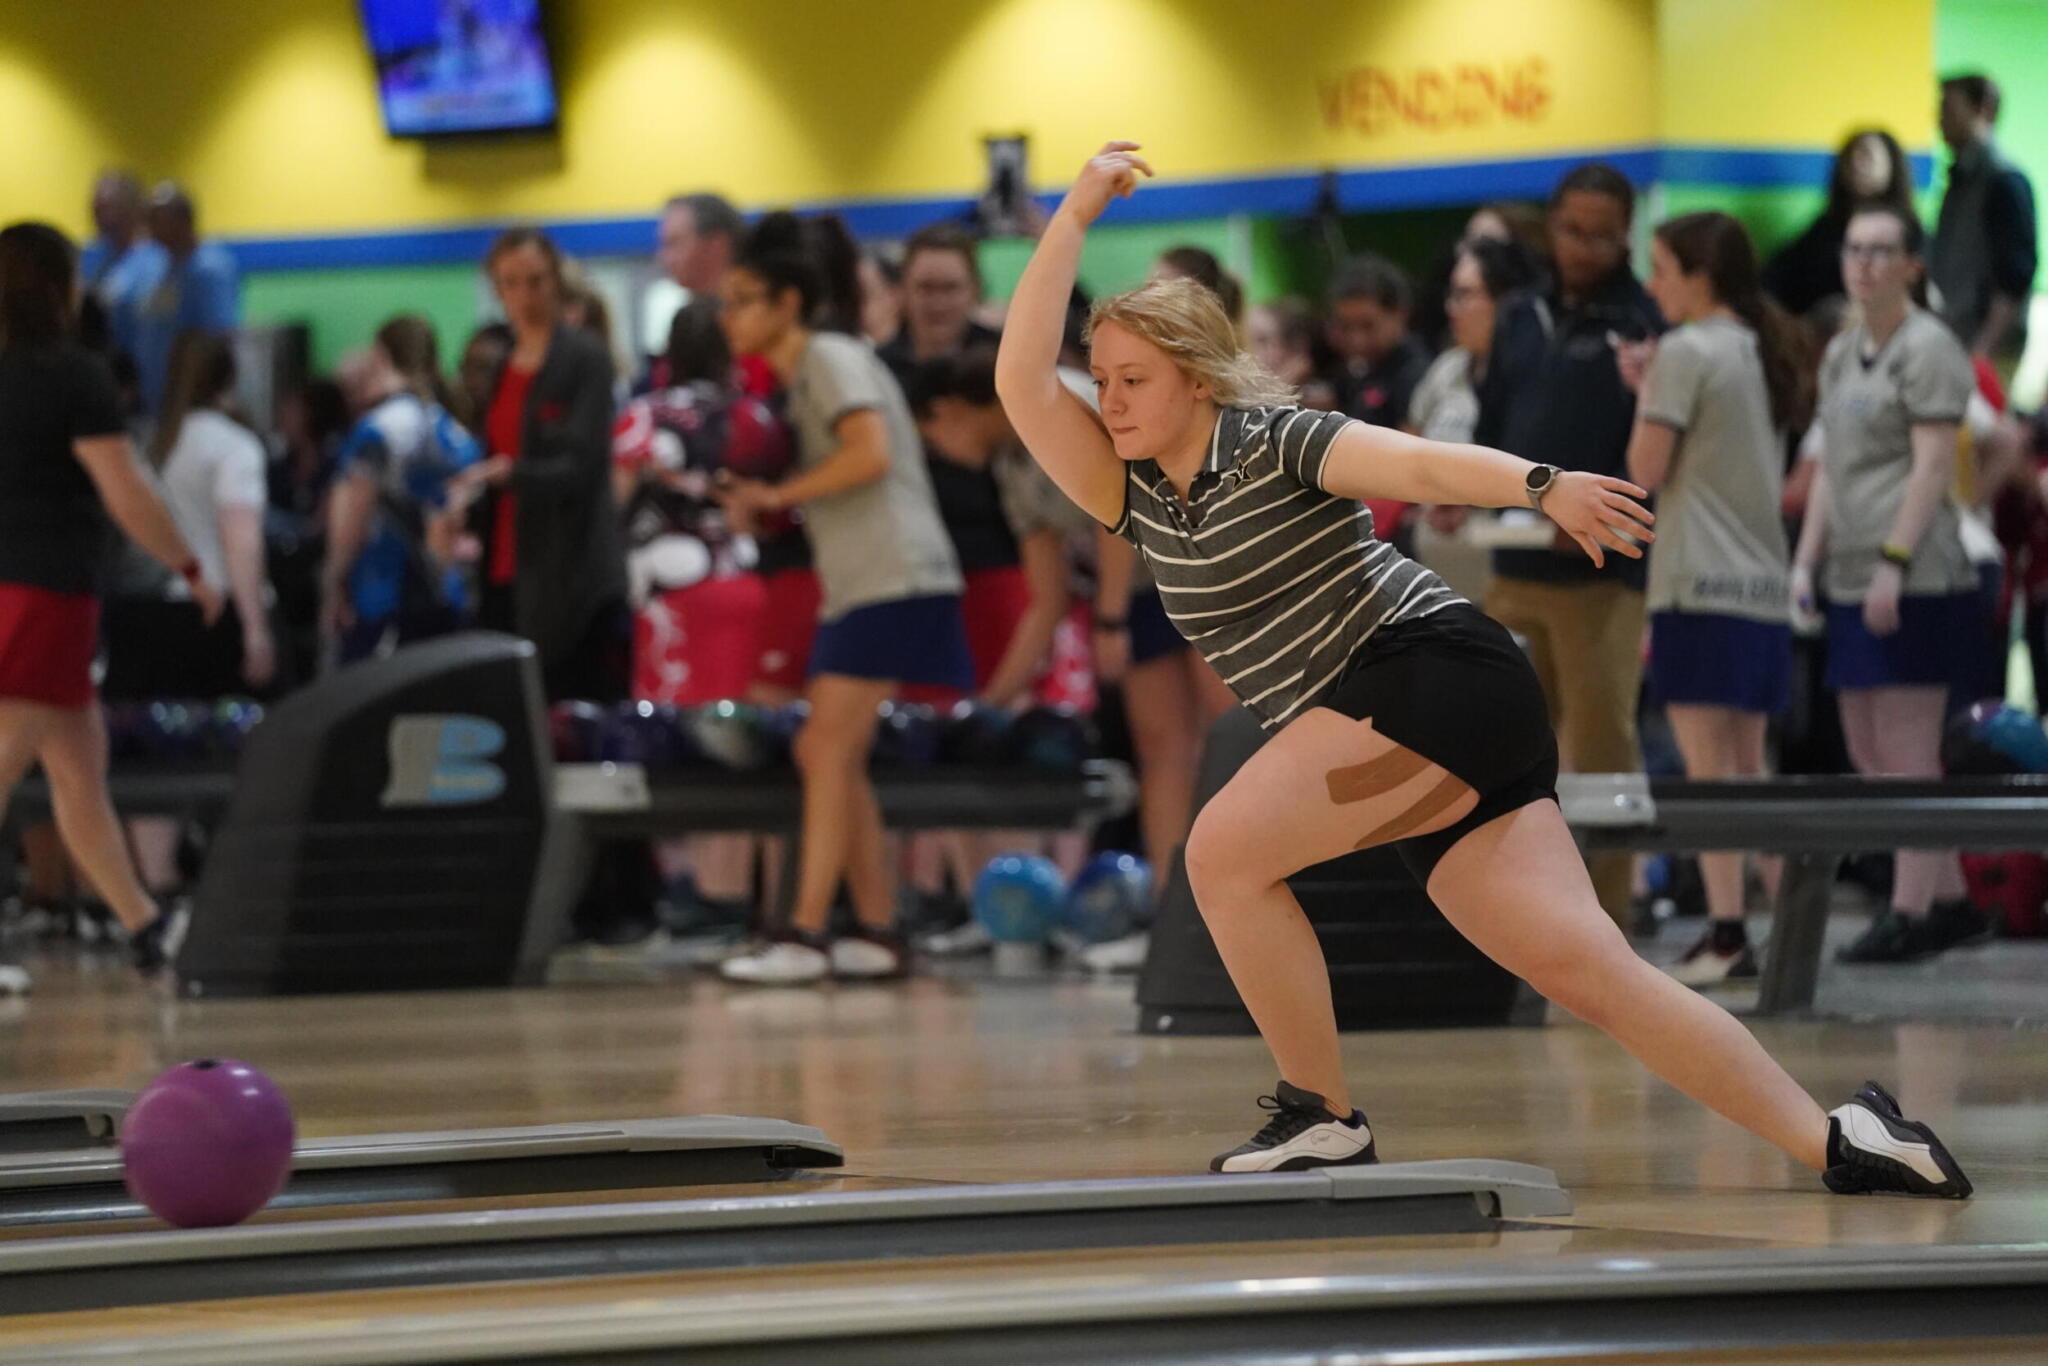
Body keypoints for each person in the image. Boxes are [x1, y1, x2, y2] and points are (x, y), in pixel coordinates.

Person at [994, 141, 1970, 1199]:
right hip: (1423, 708)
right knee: (1590, 973)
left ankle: (1318, 1115)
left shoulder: (1272, 440)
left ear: (1193, 377)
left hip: (1427, 675)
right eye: (1101, 381)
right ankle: (1840, 1137)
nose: (1112, 400)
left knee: (1222, 853)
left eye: (1133, 379)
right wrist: (1074, 215)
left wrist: (1538, 482)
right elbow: (1017, 381)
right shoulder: (1129, 493)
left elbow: (1411, 460)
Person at [712, 212, 970, 985]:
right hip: (865, 581)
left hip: (896, 574)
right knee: (833, 752)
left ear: (788, 303)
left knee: (823, 748)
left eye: (744, 300)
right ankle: (879, 929)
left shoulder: (827, 356)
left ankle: (803, 932)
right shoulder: (809, 372)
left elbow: (873, 452)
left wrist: (779, 494)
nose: (729, 318)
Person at [0, 222, 221, 988]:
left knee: (78, 771)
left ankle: (144, 928)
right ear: (60, 289)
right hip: (45, 593)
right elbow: (124, 490)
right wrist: (190, 565)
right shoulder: (73, 377)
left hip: (21, 592)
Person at [1793, 203, 1991, 965]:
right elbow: (1831, 472)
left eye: (1882, 251)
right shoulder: (1841, 352)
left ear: (1914, 264)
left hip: (1917, 574)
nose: (1865, 263)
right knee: (1867, 745)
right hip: (1847, 572)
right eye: (1854, 249)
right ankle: (1951, 901)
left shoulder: (1929, 346)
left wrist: (1894, 562)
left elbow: (1933, 466)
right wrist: (1805, 562)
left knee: (1908, 747)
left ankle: (1909, 911)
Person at [1475, 161, 1664, 932]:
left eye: (1601, 235)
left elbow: (1648, 455)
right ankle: (1516, 915)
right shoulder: (1519, 315)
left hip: (1599, 576)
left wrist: (1588, 516)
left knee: (1601, 749)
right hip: (1510, 566)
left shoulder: (1646, 324)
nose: (1583, 247)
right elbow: (1491, 431)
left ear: (1626, 238)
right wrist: (1468, 498)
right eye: (1570, 230)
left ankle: (1608, 920)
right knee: (1497, 744)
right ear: (1550, 227)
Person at [1620, 212, 1809, 985]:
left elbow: (1643, 468)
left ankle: (1729, 932)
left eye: (1661, 267)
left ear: (1699, 276)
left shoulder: (1685, 351)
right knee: (1746, 768)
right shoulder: (1764, 348)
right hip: (1762, 587)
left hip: (1697, 582)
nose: (1652, 283)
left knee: (1707, 773)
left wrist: (1642, 392)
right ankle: (1787, 926)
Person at [451, 228, 630, 704]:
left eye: (535, 281)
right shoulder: (506, 362)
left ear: (556, 282)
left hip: (567, 572)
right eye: (511, 283)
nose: (525, 296)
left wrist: (511, 474)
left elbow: (580, 465)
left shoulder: (584, 358)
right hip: (507, 565)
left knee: (567, 706)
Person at [320, 316, 481, 665]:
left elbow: (351, 520)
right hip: (447, 595)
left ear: (380, 355)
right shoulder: (455, 431)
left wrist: (333, 584)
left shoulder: (376, 431)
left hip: (382, 596)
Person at [1930, 74, 2038, 366]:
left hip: (1986, 346)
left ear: (1983, 110)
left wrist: (1982, 350)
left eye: (1948, 109)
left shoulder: (2004, 180)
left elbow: (2015, 275)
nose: (1938, 120)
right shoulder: (1961, 179)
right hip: (1956, 335)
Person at [1763, 130, 1915, 319]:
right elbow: (1779, 276)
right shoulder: (1827, 227)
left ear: (1892, 166)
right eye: (1849, 156)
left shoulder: (1909, 233)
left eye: (1866, 155)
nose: (1856, 163)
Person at [120, 184, 240, 414]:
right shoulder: (157, 267)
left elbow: (216, 339)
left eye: (157, 218)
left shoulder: (209, 269)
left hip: (190, 402)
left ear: (183, 220)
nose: (150, 226)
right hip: (153, 400)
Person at [877, 223, 1000, 378]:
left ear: (975, 290)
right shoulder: (878, 367)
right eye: (926, 288)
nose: (938, 304)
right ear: (903, 290)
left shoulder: (1003, 359)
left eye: (951, 288)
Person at [657, 192, 746, 296]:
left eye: (674, 243)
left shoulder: (760, 306)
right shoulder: (696, 309)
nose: (664, 258)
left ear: (716, 245)